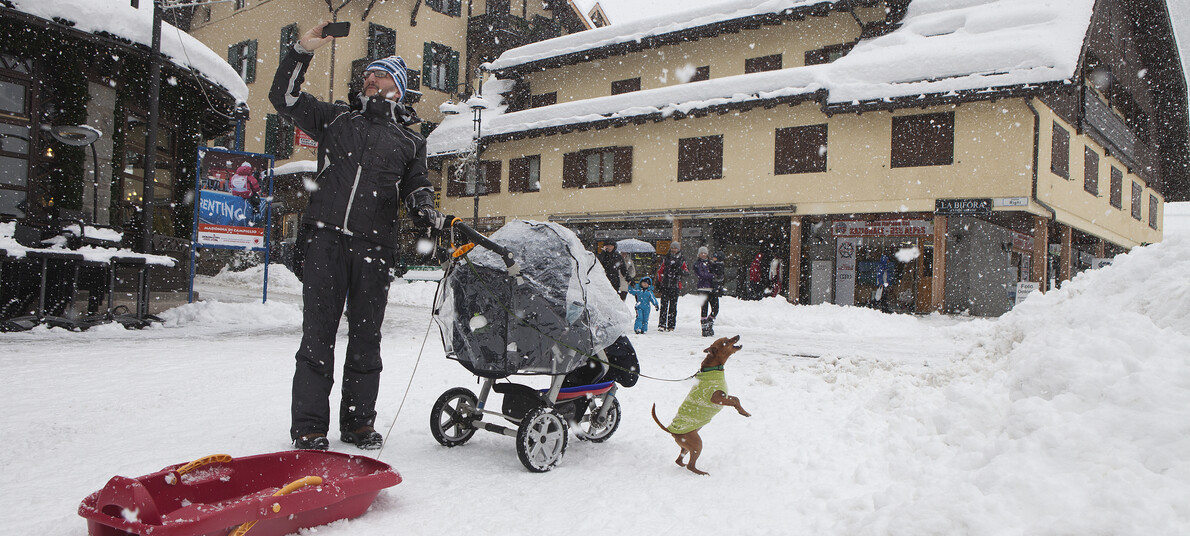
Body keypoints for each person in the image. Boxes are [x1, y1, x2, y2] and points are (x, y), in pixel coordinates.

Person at [270, 21, 447, 451]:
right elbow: (284, 98)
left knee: (367, 338)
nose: (370, 78)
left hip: (375, 247)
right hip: (325, 240)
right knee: (318, 336)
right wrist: (302, 50)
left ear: (398, 89)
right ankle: (310, 427)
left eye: (381, 74)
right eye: (368, 74)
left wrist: (424, 205)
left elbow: (417, 183)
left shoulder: (410, 140)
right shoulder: (335, 119)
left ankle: (358, 423)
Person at [655, 240, 687, 332]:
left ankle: (671, 325)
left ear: (678, 249)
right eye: (672, 248)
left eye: (675, 248)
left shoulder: (682, 259)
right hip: (666, 284)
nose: (673, 249)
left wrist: (680, 272)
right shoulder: (666, 258)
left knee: (673, 306)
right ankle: (662, 324)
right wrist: (660, 281)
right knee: (664, 305)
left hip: (675, 285)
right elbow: (660, 271)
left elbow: (686, 271)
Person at [693, 246, 715, 336]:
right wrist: (712, 276)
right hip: (702, 288)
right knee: (704, 308)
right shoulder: (697, 264)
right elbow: (702, 275)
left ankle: (709, 323)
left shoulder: (711, 263)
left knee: (715, 308)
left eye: (704, 253)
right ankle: (704, 328)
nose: (703, 254)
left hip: (712, 288)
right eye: (701, 253)